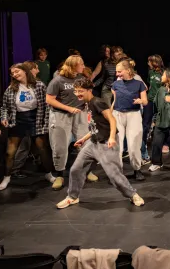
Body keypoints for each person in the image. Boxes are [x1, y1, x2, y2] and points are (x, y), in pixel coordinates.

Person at [56, 78, 145, 209]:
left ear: (89, 90)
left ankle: (133, 195)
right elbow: (95, 126)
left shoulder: (98, 102)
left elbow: (112, 120)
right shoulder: (87, 104)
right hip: (93, 143)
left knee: (114, 175)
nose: (77, 94)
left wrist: (112, 138)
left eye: (80, 91)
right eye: (76, 91)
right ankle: (72, 197)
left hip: (106, 144)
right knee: (76, 169)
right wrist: (84, 138)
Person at [0, 64, 55, 191]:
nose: (14, 74)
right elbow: (4, 107)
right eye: (12, 73)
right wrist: (4, 118)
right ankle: (7, 177)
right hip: (18, 120)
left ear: (24, 71)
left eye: (17, 71)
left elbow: (47, 104)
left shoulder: (39, 85)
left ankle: (49, 174)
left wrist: (47, 120)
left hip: (36, 119)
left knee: (42, 148)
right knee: (10, 152)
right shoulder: (11, 88)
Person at [46, 55, 96, 190]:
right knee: (60, 146)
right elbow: (49, 100)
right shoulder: (57, 81)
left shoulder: (81, 78)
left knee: (85, 143)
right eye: (81, 64)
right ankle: (60, 175)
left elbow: (87, 94)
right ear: (73, 65)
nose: (83, 66)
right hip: (61, 115)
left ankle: (86, 171)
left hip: (80, 114)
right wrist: (68, 108)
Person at [112, 59, 148, 181]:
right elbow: (114, 100)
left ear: (127, 70)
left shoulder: (139, 84)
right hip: (117, 114)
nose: (117, 74)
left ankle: (137, 169)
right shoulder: (115, 84)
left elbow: (145, 101)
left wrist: (140, 101)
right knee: (118, 146)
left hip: (133, 115)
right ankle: (117, 173)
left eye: (119, 71)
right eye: (116, 72)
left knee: (133, 145)